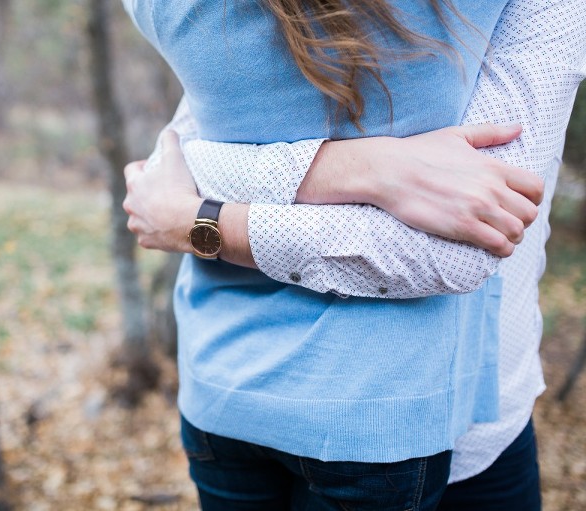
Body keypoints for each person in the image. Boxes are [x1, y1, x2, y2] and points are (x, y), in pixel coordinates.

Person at [121, 0, 586, 509]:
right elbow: (173, 155)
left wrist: (197, 221)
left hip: (229, 377)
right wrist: (367, 169)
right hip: (377, 410)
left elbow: (170, 169)